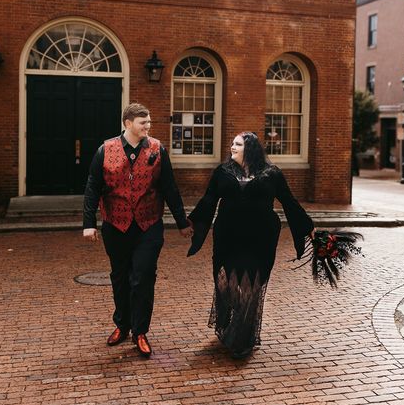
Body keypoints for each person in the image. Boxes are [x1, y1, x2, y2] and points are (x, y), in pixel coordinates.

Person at [187, 132, 315, 359]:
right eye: (232, 143)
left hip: (260, 239)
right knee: (224, 282)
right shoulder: (222, 172)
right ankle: (232, 323)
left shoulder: (271, 174)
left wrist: (307, 226)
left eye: (237, 144)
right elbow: (208, 200)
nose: (232, 147)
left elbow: (289, 202)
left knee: (250, 285)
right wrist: (189, 223)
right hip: (228, 237)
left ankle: (240, 340)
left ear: (251, 148)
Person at [83, 103, 193, 358]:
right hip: (115, 225)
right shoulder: (105, 150)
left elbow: (169, 187)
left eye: (149, 122)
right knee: (120, 277)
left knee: (143, 277)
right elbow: (92, 188)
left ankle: (140, 331)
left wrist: (181, 221)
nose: (148, 126)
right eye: (143, 122)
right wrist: (89, 223)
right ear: (128, 123)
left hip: (148, 225)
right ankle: (122, 325)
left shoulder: (157, 149)